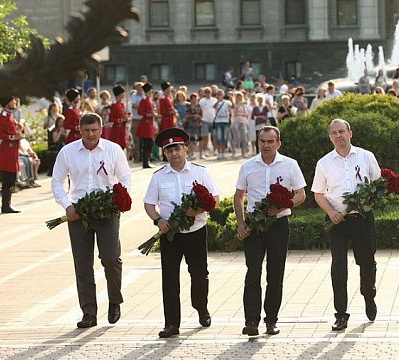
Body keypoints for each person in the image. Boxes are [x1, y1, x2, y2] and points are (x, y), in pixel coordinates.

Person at [51, 113, 132, 329]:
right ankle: (88, 312)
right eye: (86, 130)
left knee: (111, 258)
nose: (90, 134)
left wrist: (117, 201)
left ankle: (114, 300)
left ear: (101, 129)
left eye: (94, 130)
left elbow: (125, 179)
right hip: (78, 214)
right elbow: (57, 181)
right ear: (79, 129)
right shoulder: (68, 152)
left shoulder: (113, 150)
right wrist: (67, 206)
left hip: (107, 213)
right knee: (83, 265)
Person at [143, 128, 220, 338]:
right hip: (170, 234)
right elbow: (149, 204)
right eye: (169, 150)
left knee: (199, 275)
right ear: (164, 153)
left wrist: (199, 210)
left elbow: (215, 198)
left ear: (185, 149)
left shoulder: (201, 172)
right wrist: (158, 220)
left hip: (196, 231)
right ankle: (171, 324)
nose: (174, 153)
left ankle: (201, 308)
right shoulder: (158, 177)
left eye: (177, 148)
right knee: (169, 278)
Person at [234, 126, 306, 336]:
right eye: (262, 141)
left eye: (270, 142)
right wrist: (241, 224)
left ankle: (271, 320)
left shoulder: (290, 165)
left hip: (279, 225)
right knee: (253, 272)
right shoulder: (248, 166)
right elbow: (238, 197)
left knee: (275, 275)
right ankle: (251, 321)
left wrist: (284, 205)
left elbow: (301, 194)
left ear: (278, 144)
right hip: (253, 226)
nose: (266, 145)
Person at [311, 119, 381, 331]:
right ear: (330, 136)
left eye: (342, 131)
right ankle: (341, 313)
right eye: (334, 132)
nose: (338, 135)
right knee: (338, 266)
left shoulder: (366, 156)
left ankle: (368, 295)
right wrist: (331, 212)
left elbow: (378, 186)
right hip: (336, 221)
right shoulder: (324, 163)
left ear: (350, 133)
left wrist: (367, 201)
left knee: (367, 261)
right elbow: (318, 194)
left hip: (362, 218)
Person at [0, 96, 23, 213]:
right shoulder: (3, 116)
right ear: (7, 103)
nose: (15, 102)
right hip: (7, 151)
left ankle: (7, 204)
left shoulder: (10, 115)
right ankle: (5, 206)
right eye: (13, 100)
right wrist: (13, 137)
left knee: (11, 179)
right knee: (7, 179)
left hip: (12, 151)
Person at [137, 83, 158, 168]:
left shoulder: (150, 100)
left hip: (150, 123)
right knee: (147, 143)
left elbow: (154, 110)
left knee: (149, 143)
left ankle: (147, 160)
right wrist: (149, 114)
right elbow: (140, 112)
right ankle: (145, 162)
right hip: (145, 124)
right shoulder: (144, 100)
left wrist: (154, 113)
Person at [199, 87, 218, 159]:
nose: (207, 93)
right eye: (206, 92)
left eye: (209, 92)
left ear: (211, 92)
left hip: (213, 121)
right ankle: (205, 151)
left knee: (214, 136)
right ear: (204, 93)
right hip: (205, 121)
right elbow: (201, 110)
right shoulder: (202, 101)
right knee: (205, 137)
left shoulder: (215, 100)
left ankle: (215, 150)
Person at [109, 85, 129, 150]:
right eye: (122, 93)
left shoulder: (122, 104)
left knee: (122, 146)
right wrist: (121, 120)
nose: (123, 95)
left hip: (123, 128)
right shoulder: (114, 105)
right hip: (117, 129)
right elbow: (111, 118)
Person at [231, 92, 249, 158]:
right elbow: (234, 114)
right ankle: (234, 152)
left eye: (240, 96)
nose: (240, 98)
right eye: (238, 96)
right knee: (236, 137)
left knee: (244, 138)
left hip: (243, 122)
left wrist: (240, 114)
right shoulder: (234, 105)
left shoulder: (244, 105)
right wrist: (237, 106)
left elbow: (246, 114)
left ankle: (244, 153)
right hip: (235, 122)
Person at [184, 93, 203, 160]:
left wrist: (198, 116)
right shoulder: (187, 106)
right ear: (191, 99)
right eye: (193, 99)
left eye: (195, 98)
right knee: (190, 140)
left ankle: (201, 154)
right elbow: (186, 116)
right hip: (190, 125)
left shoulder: (199, 106)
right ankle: (191, 154)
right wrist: (193, 116)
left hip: (198, 124)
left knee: (200, 139)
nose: (194, 100)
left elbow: (201, 115)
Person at [130, 82, 145, 162]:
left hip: (144, 120)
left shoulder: (145, 96)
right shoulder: (134, 96)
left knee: (144, 139)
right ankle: (137, 157)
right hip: (136, 120)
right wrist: (143, 106)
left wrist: (141, 106)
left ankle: (144, 157)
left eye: (141, 88)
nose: (140, 89)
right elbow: (134, 106)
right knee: (136, 139)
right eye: (138, 88)